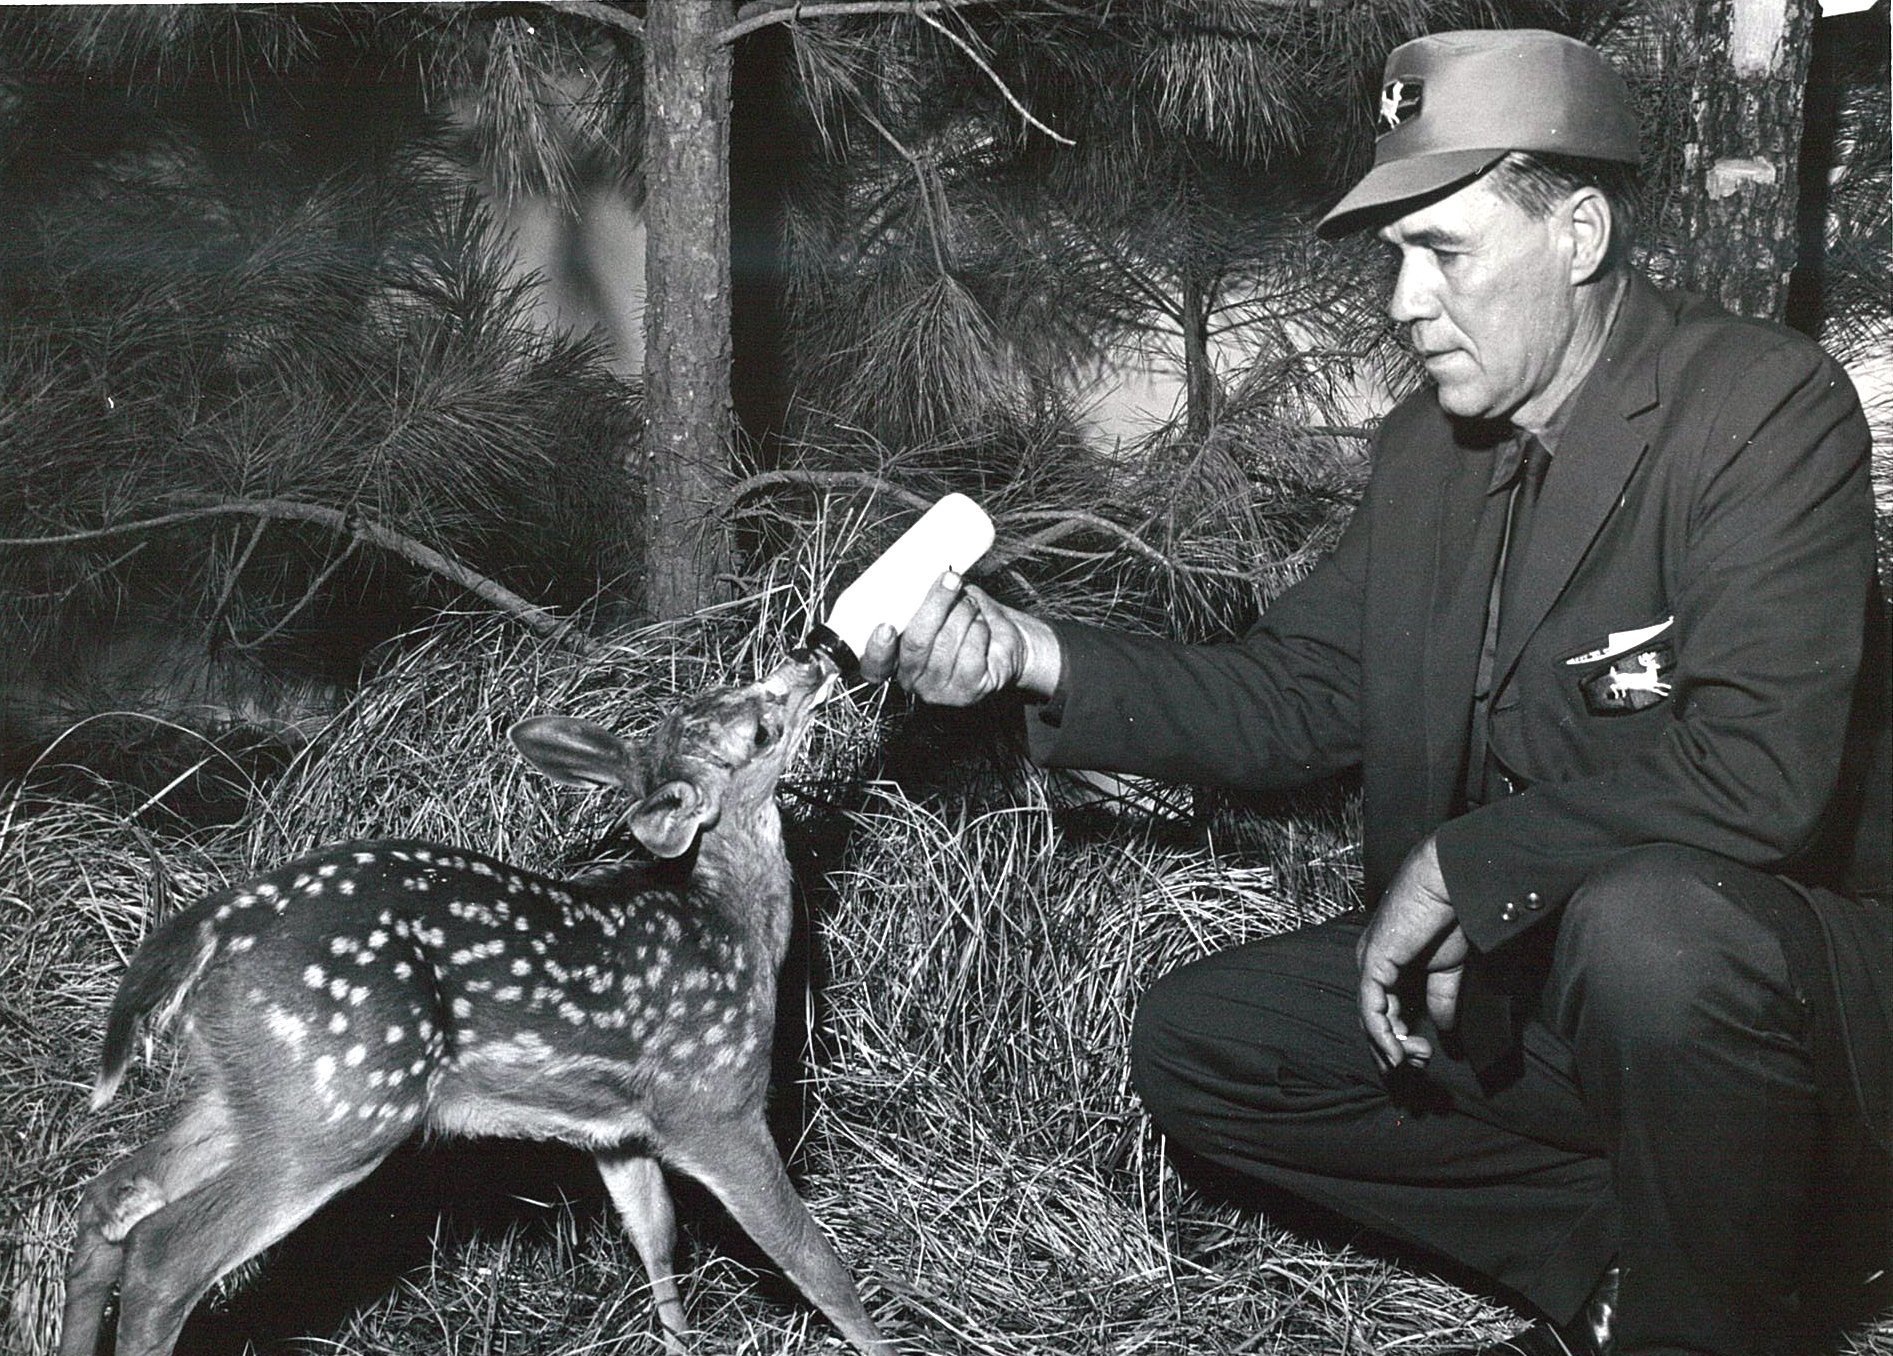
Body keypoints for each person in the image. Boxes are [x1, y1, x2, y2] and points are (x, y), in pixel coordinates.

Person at [858, 28, 1892, 1356]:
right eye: (1395, 256)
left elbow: (1758, 770)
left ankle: (1727, 1306)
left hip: (1781, 1012)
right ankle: (1654, 1269)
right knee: (1206, 1044)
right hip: (1552, 990)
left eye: (1443, 252)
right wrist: (1025, 655)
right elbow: (1295, 693)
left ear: (1577, 235)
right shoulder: (1428, 452)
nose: (1404, 301)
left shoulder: (1760, 406)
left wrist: (1467, 864)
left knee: (1649, 933)